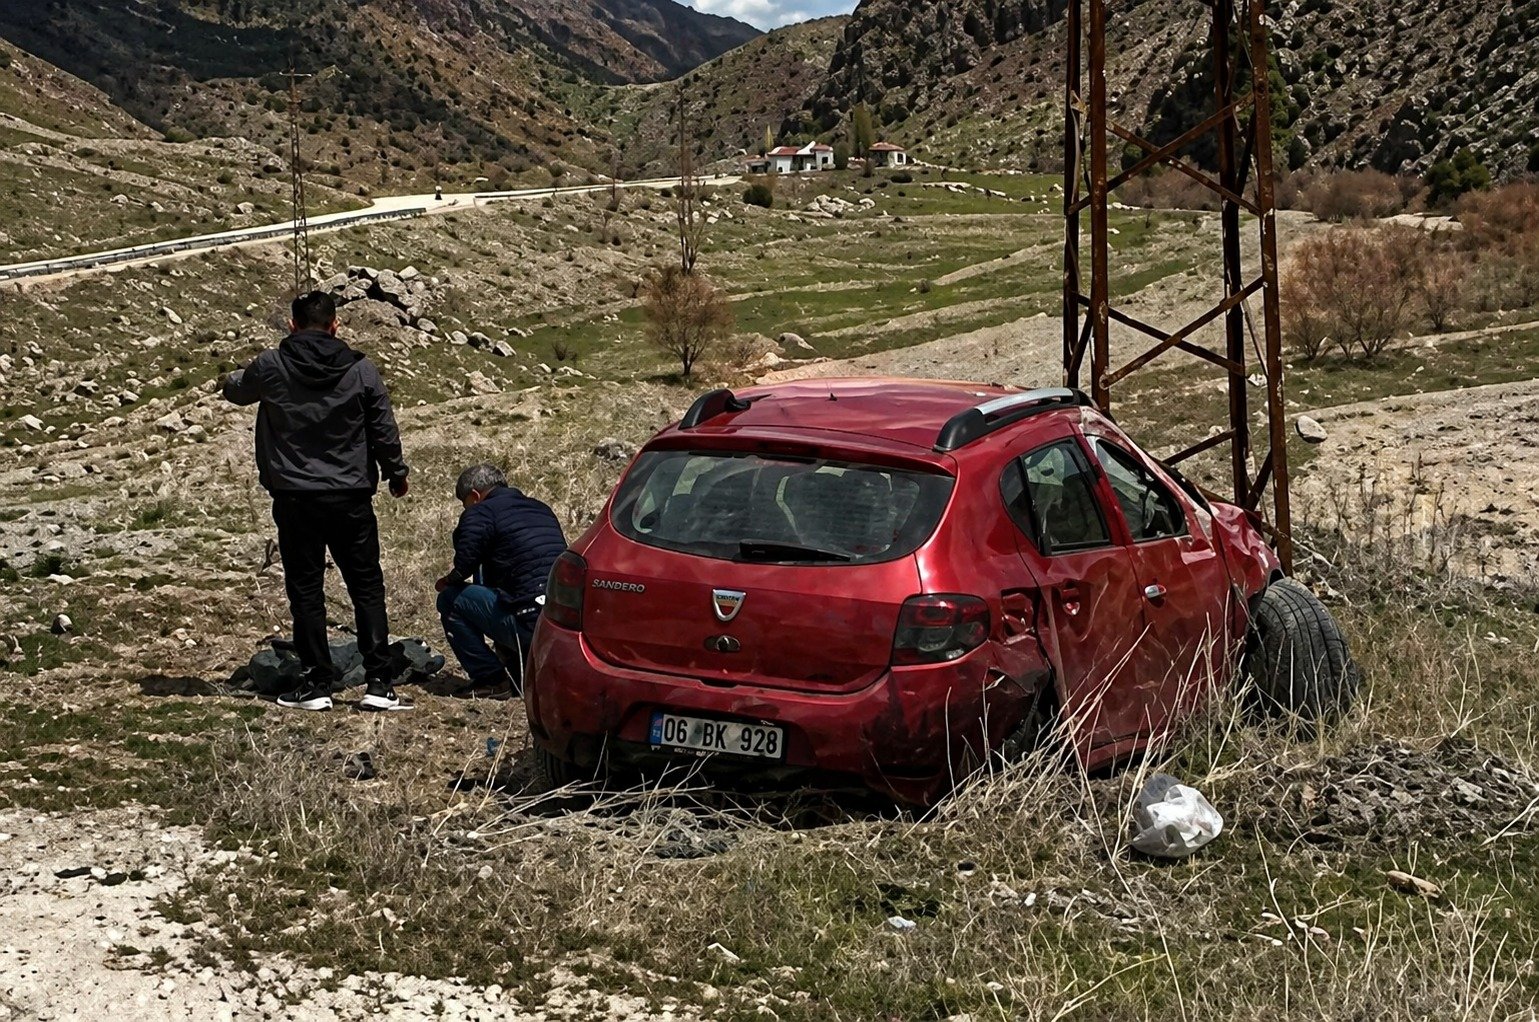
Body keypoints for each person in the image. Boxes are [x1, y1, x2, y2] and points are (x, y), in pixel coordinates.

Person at [223, 291, 412, 712]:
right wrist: (395, 473)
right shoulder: (362, 370)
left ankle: (316, 682)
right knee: (366, 586)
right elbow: (383, 425)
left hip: (295, 497)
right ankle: (379, 683)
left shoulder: (271, 365)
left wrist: (234, 373)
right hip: (350, 497)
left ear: (292, 325)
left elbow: (236, 391)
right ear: (335, 325)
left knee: (306, 589)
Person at [436, 464, 567, 696]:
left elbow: (465, 563)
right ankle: (519, 667)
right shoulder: (541, 508)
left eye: (464, 502)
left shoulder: (480, 512)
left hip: (525, 624)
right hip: (559, 623)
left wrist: (448, 580)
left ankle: (491, 679)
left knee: (449, 599)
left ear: (475, 496)